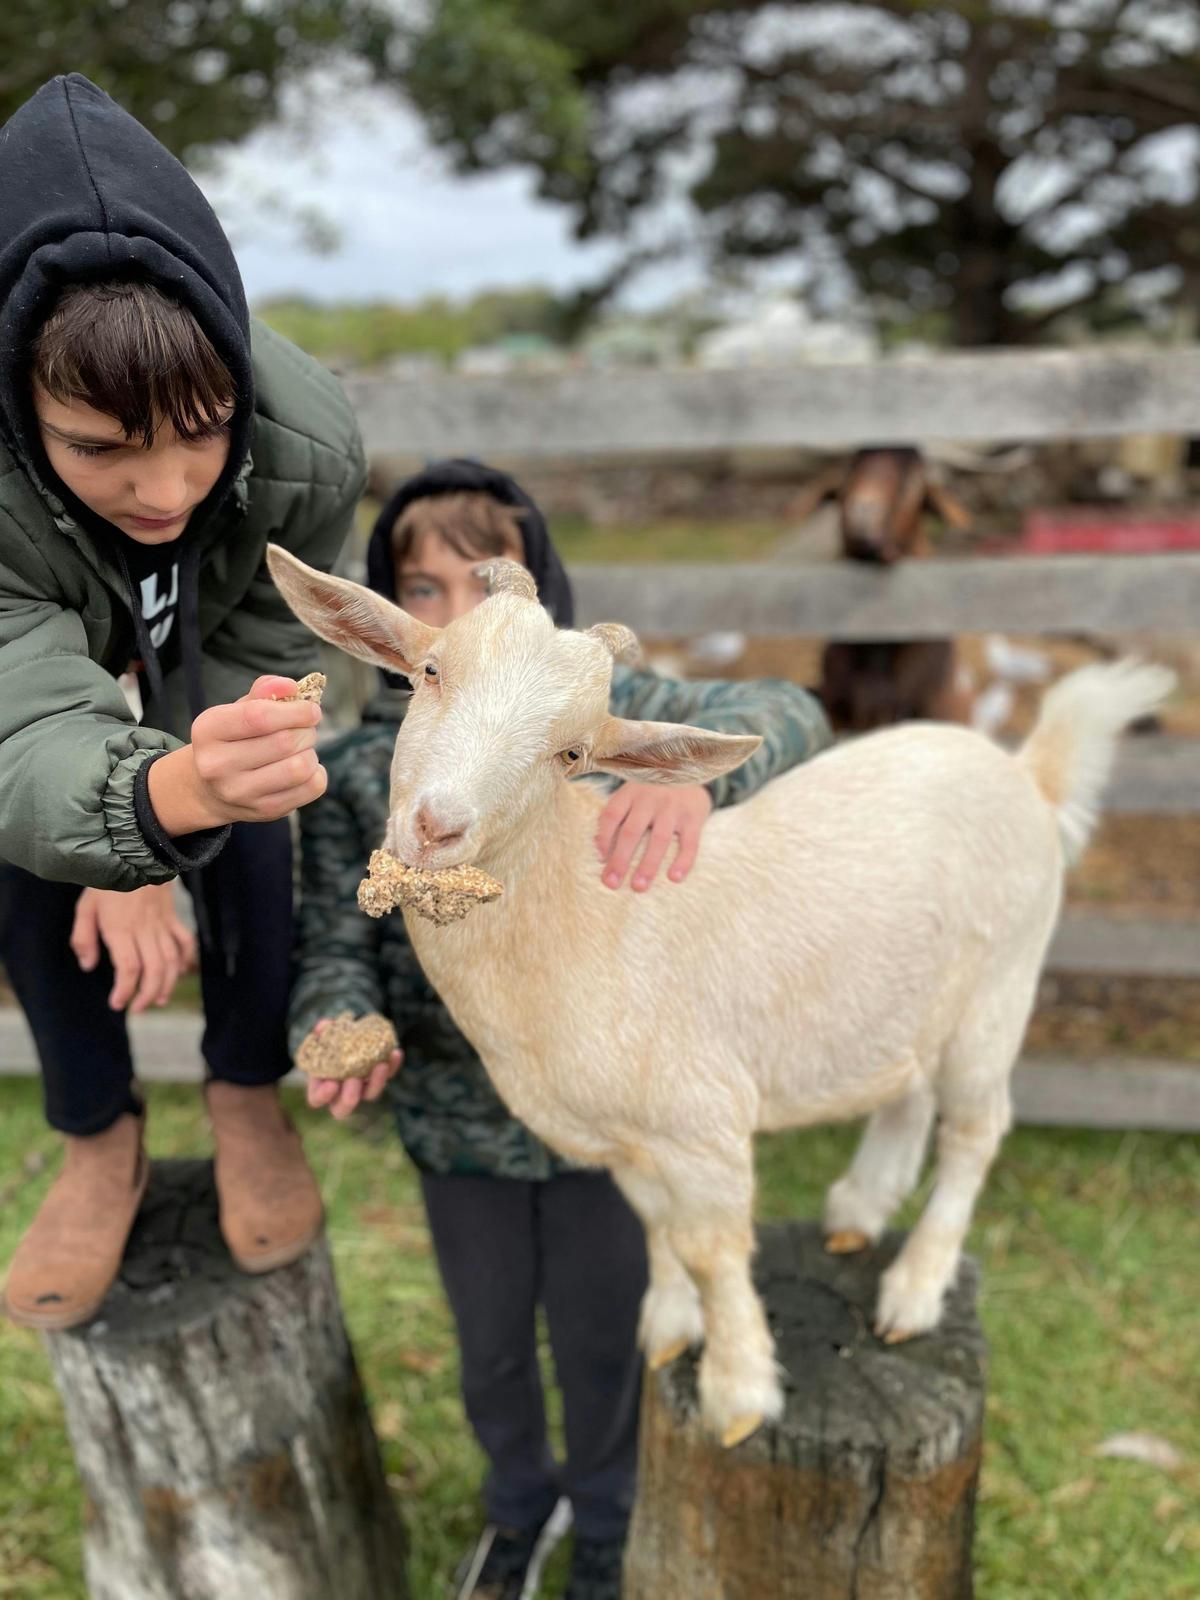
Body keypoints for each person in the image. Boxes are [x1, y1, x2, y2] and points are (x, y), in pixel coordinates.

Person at [290, 460, 832, 1600]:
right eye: (417, 590)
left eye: (468, 580)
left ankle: (604, 1522)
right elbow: (337, 937)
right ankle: (516, 1509)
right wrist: (337, 1014)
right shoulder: (353, 772)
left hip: (612, 1110)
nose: (446, 610)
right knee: (488, 1342)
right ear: (388, 625)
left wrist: (696, 789)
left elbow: (786, 710)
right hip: (456, 1128)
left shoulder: (580, 714)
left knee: (602, 1336)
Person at [0, 75, 366, 1330]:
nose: (164, 487)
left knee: (258, 786)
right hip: (43, 664)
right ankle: (97, 1131)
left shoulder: (303, 435)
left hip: (193, 653)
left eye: (200, 431)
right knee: (25, 848)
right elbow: (21, 719)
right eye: (99, 446)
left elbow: (276, 648)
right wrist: (133, 829)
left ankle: (246, 1090)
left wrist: (194, 789)